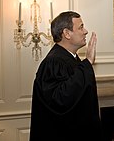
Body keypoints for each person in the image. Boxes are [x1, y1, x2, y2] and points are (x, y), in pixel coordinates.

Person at [29, 11, 102, 141]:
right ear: (67, 34)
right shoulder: (54, 62)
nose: (85, 31)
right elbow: (60, 100)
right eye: (80, 27)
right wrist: (88, 62)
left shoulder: (71, 58)